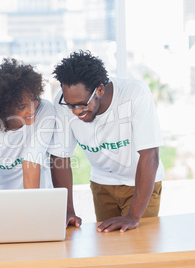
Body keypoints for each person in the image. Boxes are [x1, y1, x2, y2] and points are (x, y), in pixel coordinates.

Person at [49, 50, 165, 232]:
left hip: (140, 183)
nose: (75, 111)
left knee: (139, 249)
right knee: (108, 252)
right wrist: (68, 210)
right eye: (70, 105)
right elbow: (59, 157)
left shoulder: (135, 94)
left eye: (81, 104)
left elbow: (150, 155)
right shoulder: (63, 102)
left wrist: (133, 216)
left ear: (100, 90)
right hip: (102, 183)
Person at [0, 58, 55, 197]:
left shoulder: (44, 110)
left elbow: (31, 161)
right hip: (3, 198)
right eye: (22, 107)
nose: (32, 111)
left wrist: (31, 208)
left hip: (38, 195)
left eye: (34, 100)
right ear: (3, 108)